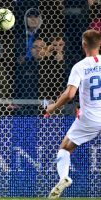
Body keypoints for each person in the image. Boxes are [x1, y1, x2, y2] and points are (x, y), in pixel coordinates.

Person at [46, 29, 101, 199]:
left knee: (65, 148)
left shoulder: (80, 66)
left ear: (84, 44)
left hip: (89, 118)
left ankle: (64, 177)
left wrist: (53, 107)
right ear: (100, 44)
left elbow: (70, 94)